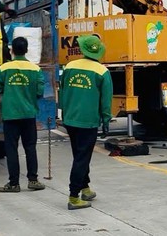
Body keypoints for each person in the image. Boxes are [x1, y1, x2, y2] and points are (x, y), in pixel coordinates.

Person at [59, 35, 112, 210]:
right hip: (88, 121)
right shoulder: (102, 72)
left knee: (80, 155)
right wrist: (105, 120)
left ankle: (85, 188)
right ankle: (74, 197)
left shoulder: (69, 67)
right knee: (82, 157)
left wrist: (64, 113)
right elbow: (106, 100)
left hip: (70, 119)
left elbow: (63, 90)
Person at [0, 37, 46, 193]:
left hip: (10, 115)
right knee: (30, 147)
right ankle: (33, 180)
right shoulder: (35, 69)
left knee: (11, 149)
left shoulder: (3, 69)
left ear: (12, 51)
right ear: (27, 50)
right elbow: (39, 92)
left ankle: (14, 183)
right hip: (29, 114)